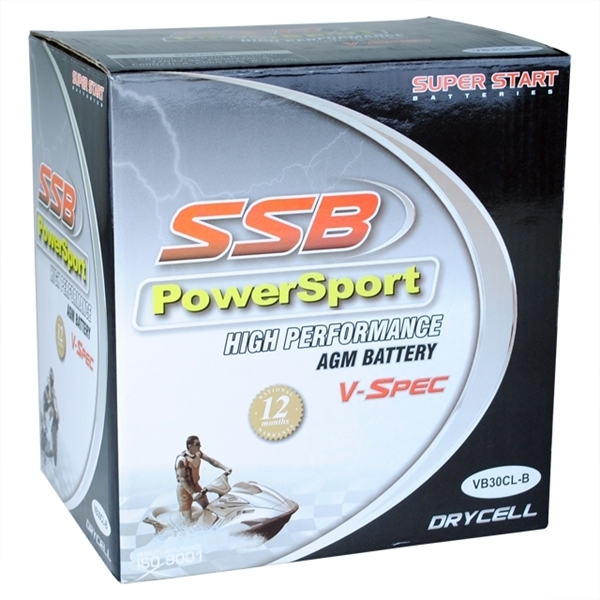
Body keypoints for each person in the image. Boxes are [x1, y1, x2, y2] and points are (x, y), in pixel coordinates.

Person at [175, 435, 231, 521]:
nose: (200, 446)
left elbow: (211, 461)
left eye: (199, 444)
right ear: (190, 446)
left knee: (207, 507)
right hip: (184, 490)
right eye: (197, 444)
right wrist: (192, 493)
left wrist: (225, 468)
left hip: (195, 486)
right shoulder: (182, 460)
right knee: (188, 520)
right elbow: (182, 479)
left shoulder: (198, 453)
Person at [42, 368, 59, 465]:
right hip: (48, 419)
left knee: (54, 440)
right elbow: (45, 406)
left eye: (53, 378)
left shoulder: (53, 391)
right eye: (51, 378)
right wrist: (49, 404)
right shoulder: (46, 390)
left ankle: (54, 460)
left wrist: (57, 415)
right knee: (47, 437)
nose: (52, 380)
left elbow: (55, 404)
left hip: (54, 419)